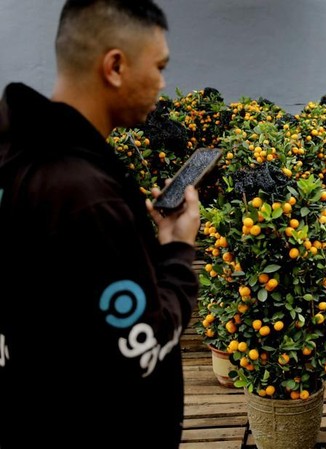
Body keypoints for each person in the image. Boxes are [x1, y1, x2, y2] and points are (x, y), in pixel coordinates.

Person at [0, 1, 200, 447]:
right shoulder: (87, 196)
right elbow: (140, 345)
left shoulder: (16, 160)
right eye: (160, 66)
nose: (162, 83)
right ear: (115, 66)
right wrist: (177, 251)